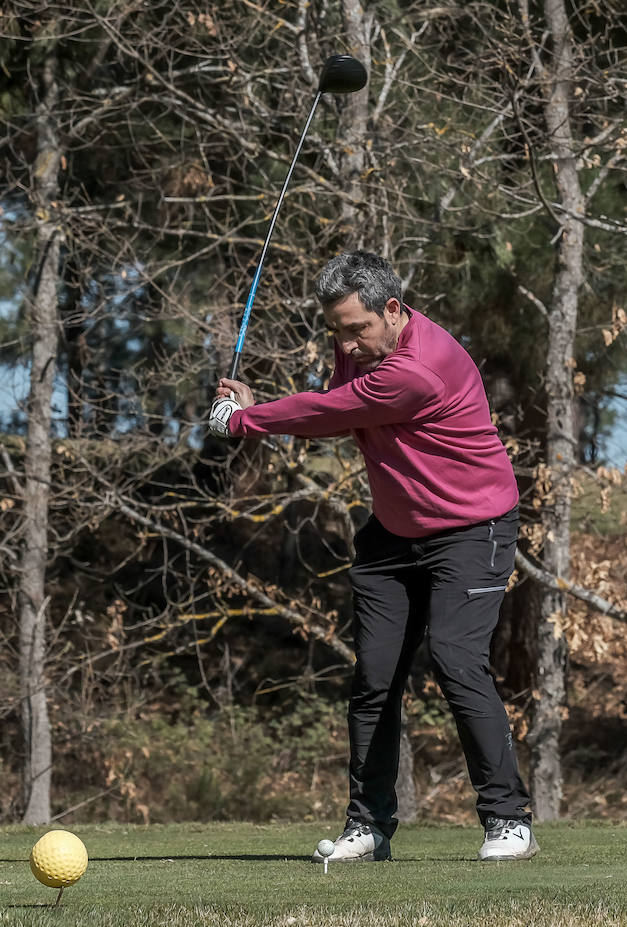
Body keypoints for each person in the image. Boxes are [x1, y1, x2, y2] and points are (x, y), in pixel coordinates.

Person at [209, 250, 537, 863]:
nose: (347, 343)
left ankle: (508, 821)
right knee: (374, 677)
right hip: (393, 533)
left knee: (455, 659)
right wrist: (255, 409)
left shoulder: (421, 369)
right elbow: (339, 401)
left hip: (473, 528)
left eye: (356, 329)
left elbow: (337, 410)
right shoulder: (363, 345)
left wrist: (246, 420)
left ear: (393, 309)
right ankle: (369, 826)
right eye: (336, 331)